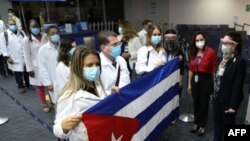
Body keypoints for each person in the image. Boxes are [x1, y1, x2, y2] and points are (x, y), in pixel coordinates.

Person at [53, 47, 107, 141]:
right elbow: (57, 129)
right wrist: (64, 126)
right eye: (89, 65)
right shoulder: (70, 97)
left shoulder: (98, 84)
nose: (95, 68)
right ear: (78, 68)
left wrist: (112, 95)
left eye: (97, 64)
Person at [213, 32, 246, 141]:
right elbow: (218, 77)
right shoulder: (223, 58)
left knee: (229, 128)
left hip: (228, 101)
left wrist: (233, 106)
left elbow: (237, 85)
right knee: (217, 126)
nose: (224, 46)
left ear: (234, 44)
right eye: (223, 43)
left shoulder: (239, 61)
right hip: (217, 97)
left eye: (227, 43)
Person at [188, 31, 217, 136]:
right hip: (195, 79)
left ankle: (202, 125)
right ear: (194, 41)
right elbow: (190, 69)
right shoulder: (192, 51)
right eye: (197, 40)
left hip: (206, 79)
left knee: (204, 103)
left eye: (201, 39)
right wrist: (189, 84)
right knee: (196, 102)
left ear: (204, 40)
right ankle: (196, 122)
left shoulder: (211, 52)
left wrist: (214, 85)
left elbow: (213, 69)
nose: (199, 42)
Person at [22, 19, 49, 112]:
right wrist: (29, 69)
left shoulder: (46, 36)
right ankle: (44, 102)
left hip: (47, 64)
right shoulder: (26, 40)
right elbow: (26, 55)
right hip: (36, 66)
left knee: (49, 83)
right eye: (33, 27)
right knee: (40, 85)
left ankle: (52, 100)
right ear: (29, 28)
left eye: (37, 26)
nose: (35, 28)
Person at [0, 19, 32, 93]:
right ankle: (20, 86)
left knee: (26, 71)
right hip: (14, 57)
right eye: (11, 24)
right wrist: (7, 57)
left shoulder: (21, 32)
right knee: (17, 73)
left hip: (24, 56)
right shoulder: (4, 35)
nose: (13, 26)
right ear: (7, 25)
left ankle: (28, 84)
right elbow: (3, 47)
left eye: (14, 24)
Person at [98, 30, 130, 95]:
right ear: (103, 47)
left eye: (119, 43)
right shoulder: (97, 64)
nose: (119, 46)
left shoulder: (121, 60)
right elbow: (98, 91)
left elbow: (126, 81)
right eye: (115, 45)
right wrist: (110, 93)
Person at [38, 25, 60, 104]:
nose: (55, 35)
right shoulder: (43, 49)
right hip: (53, 82)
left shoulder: (63, 46)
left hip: (65, 80)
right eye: (52, 33)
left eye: (57, 33)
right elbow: (42, 68)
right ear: (48, 36)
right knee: (57, 102)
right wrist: (48, 83)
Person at [164, 29, 184, 96]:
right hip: (164, 77)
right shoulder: (162, 50)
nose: (169, 40)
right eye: (167, 38)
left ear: (175, 38)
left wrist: (180, 81)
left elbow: (181, 67)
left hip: (175, 77)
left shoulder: (179, 50)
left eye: (172, 38)